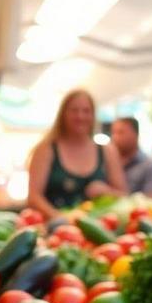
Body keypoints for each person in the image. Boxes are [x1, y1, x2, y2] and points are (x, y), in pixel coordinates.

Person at [27, 90, 127, 219]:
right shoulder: (46, 149)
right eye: (74, 110)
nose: (80, 116)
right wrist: (60, 218)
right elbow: (34, 197)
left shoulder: (107, 151)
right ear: (63, 114)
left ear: (93, 115)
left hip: (98, 230)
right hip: (55, 231)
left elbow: (124, 196)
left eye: (86, 111)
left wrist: (106, 192)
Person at [111, 117, 152, 197]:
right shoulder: (107, 164)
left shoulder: (150, 166)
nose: (115, 137)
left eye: (121, 132)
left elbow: (151, 199)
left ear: (135, 134)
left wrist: (110, 193)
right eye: (113, 132)